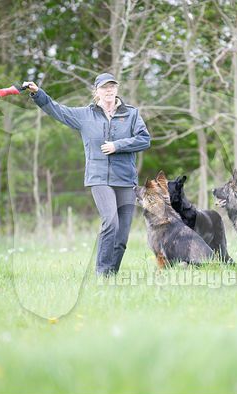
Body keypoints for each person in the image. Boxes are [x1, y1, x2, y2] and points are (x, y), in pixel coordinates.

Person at [23, 73, 150, 276]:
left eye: (112, 87)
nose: (109, 90)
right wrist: (38, 94)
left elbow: (144, 140)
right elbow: (57, 110)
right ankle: (102, 273)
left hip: (126, 180)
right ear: (96, 92)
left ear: (116, 89)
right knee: (111, 221)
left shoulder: (132, 114)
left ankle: (111, 276)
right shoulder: (84, 115)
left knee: (123, 235)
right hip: (99, 178)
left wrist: (118, 146)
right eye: (104, 87)